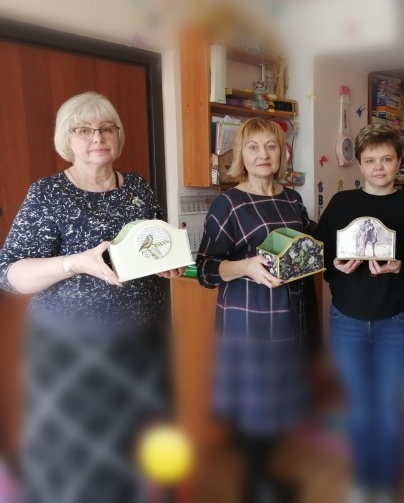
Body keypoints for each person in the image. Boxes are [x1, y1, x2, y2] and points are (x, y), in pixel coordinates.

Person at [0, 91, 185, 503]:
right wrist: (75, 263)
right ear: (67, 140)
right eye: (83, 130)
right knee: (84, 463)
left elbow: (151, 248)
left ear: (118, 135)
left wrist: (165, 264)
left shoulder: (137, 188)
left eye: (106, 128)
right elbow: (9, 272)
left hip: (142, 346)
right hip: (72, 353)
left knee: (143, 454)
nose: (97, 137)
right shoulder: (48, 193)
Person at [315, 124, 404, 503]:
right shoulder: (341, 204)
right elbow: (320, 252)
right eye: (370, 160)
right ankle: (362, 477)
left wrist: (402, 266)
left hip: (397, 320)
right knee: (358, 407)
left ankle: (384, 483)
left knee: (389, 408)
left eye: (386, 159)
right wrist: (335, 264)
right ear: (359, 164)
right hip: (347, 320)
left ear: (399, 162)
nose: (379, 167)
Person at [195, 117, 314, 503]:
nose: (263, 154)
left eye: (271, 146)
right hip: (248, 318)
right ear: (241, 157)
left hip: (290, 314)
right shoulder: (228, 204)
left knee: (279, 403)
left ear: (282, 153)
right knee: (254, 407)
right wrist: (245, 266)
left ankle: (264, 477)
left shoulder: (292, 199)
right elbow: (206, 268)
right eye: (253, 147)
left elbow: (304, 248)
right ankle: (255, 483)